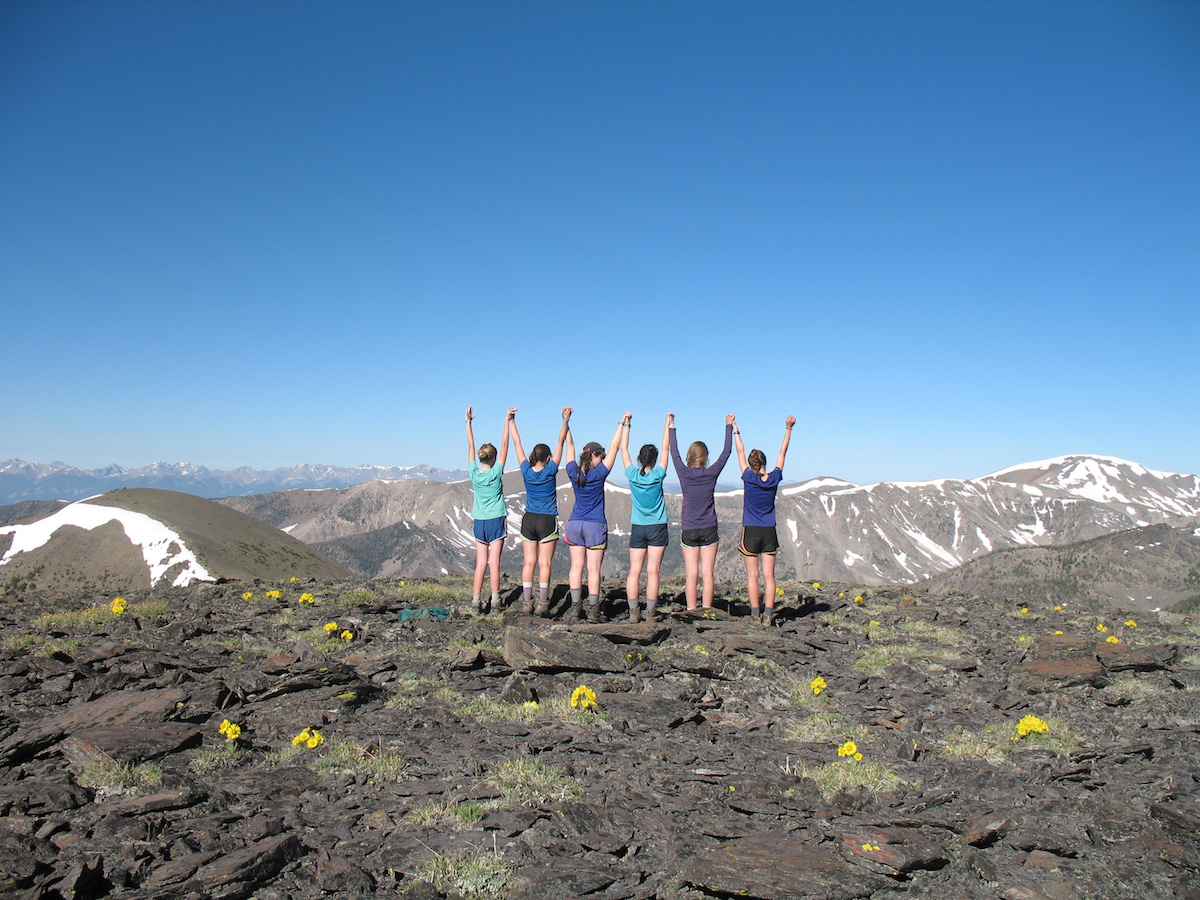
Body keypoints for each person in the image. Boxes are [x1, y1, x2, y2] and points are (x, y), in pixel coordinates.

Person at [562, 412, 627, 622]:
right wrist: (622, 423)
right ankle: (593, 611)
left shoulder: (573, 471)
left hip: (574, 523)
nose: (604, 459)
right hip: (595, 525)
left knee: (575, 567)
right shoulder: (599, 474)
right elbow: (615, 446)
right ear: (595, 455)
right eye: (601, 456)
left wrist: (566, 421)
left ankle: (574, 608)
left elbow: (568, 445)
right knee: (593, 569)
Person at [509, 406, 572, 616]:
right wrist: (565, 420)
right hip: (547, 520)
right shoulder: (551, 470)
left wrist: (511, 421)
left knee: (529, 562)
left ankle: (527, 602)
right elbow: (561, 442)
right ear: (547, 457)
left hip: (529, 519)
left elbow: (517, 444)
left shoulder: (526, 470)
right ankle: (543, 603)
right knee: (545, 563)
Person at [669, 412, 735, 610]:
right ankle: (706, 611)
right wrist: (728, 426)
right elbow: (726, 452)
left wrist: (672, 426)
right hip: (709, 528)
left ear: (690, 456)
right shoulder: (711, 473)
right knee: (707, 573)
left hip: (689, 528)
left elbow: (674, 452)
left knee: (691, 574)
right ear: (705, 458)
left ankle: (691, 610)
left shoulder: (683, 473)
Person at [734, 415, 796, 625]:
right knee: (770, 576)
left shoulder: (747, 477)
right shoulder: (775, 478)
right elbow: (783, 452)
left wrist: (735, 428)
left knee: (753, 576)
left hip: (751, 530)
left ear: (750, 465)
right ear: (764, 464)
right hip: (769, 530)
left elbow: (740, 451)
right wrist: (788, 429)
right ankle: (768, 615)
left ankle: (755, 614)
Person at [620, 413, 671, 623]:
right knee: (653, 571)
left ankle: (633, 612)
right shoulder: (658, 474)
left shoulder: (632, 475)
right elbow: (666, 448)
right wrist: (668, 424)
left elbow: (623, 449)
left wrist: (627, 424)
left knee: (634, 571)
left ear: (640, 458)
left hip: (638, 527)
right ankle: (650, 612)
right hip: (657, 526)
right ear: (655, 458)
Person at [465, 406, 511, 614]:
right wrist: (507, 421)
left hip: (479, 521)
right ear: (493, 458)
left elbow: (470, 445)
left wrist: (468, 422)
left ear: (480, 458)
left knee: (480, 562)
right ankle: (495, 601)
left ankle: (475, 602)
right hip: (496, 519)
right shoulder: (497, 472)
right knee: (494, 562)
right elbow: (505, 444)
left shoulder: (474, 473)